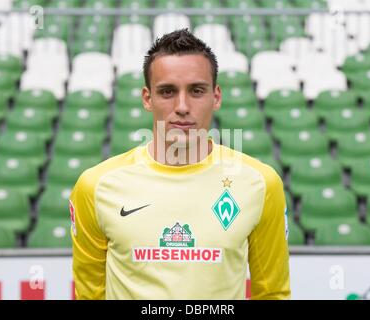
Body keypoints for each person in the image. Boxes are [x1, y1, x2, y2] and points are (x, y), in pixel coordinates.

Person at [70, 29, 290, 300]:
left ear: (216, 97)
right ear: (147, 98)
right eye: (167, 91)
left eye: (197, 91)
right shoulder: (96, 186)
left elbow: (272, 293)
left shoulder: (260, 183)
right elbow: (89, 296)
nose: (182, 106)